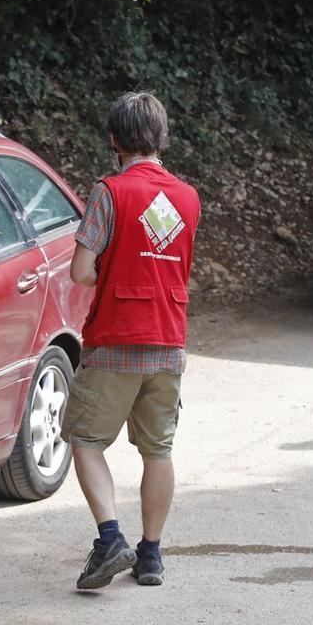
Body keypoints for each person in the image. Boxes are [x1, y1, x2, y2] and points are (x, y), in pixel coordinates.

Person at [65, 91, 201, 591]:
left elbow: (82, 272)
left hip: (116, 339)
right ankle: (151, 556)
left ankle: (109, 538)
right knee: (157, 450)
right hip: (169, 340)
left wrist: (110, 266)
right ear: (161, 138)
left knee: (85, 438)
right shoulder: (187, 198)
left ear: (114, 139)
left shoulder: (110, 191)